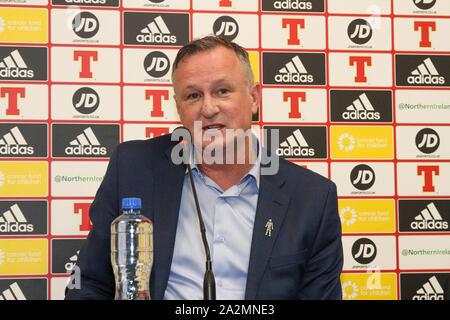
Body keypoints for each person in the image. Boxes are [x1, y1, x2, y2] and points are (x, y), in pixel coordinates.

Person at [65, 36, 343, 300]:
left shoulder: (312, 198)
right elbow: (90, 283)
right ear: (178, 107)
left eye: (222, 91)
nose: (208, 109)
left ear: (254, 98)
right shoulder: (133, 168)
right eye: (193, 96)